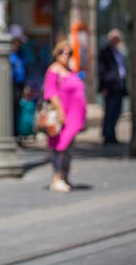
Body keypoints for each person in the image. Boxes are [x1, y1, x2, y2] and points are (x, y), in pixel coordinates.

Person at [43, 40, 86, 193]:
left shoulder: (70, 70)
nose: (66, 56)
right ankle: (56, 178)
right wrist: (60, 111)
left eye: (69, 53)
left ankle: (65, 177)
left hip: (73, 117)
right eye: (63, 52)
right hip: (62, 116)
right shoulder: (53, 70)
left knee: (68, 148)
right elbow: (50, 92)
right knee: (58, 146)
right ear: (57, 53)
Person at [98, 28, 127, 144]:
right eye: (114, 39)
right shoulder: (105, 52)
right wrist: (104, 87)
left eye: (118, 39)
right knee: (109, 111)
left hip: (119, 86)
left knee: (117, 112)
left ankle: (112, 134)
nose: (116, 41)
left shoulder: (120, 52)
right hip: (110, 87)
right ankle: (107, 134)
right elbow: (101, 71)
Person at [8, 24, 27, 138]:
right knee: (10, 111)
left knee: (16, 110)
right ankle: (12, 134)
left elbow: (23, 70)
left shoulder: (20, 53)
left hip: (18, 85)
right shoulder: (7, 54)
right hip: (9, 85)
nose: (19, 44)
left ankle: (16, 133)